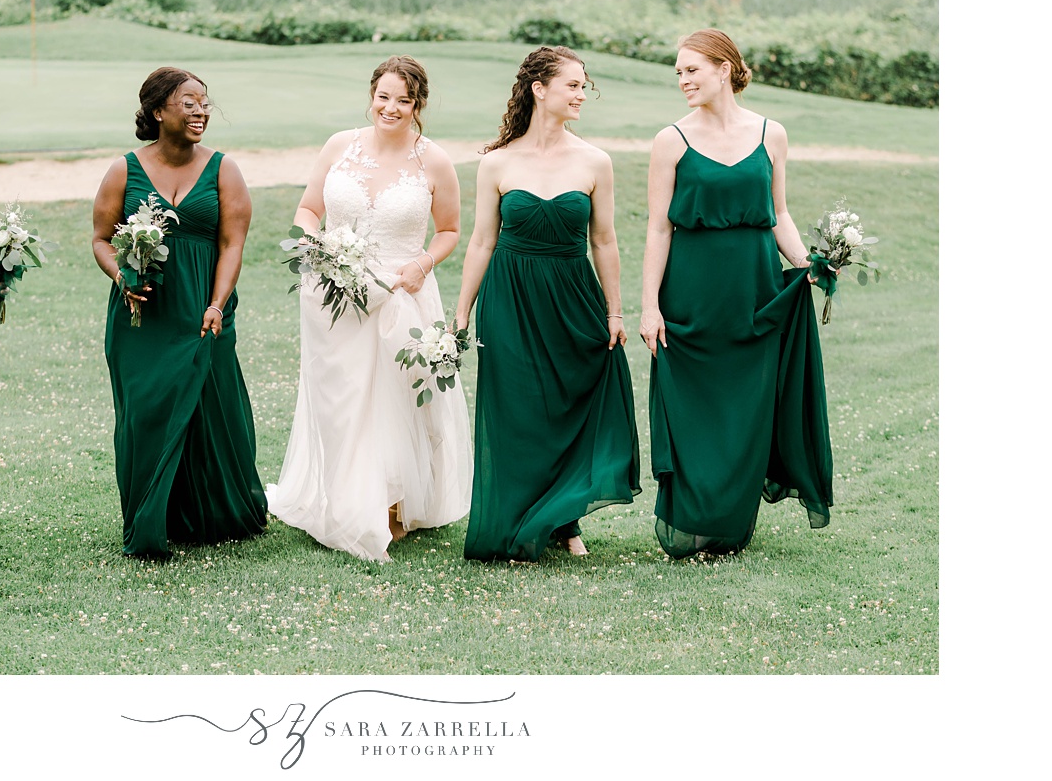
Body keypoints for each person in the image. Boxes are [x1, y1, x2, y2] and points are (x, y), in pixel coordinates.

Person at [268, 55, 473, 562]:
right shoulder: (340, 145)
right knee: (341, 395)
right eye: (384, 96)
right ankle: (341, 495)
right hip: (334, 294)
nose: (391, 107)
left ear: (418, 105)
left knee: (396, 396)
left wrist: (422, 265)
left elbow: (448, 231)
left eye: (404, 100)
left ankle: (392, 504)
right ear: (372, 95)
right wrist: (315, 249)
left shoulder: (435, 161)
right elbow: (309, 208)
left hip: (402, 291)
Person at [639, 29, 834, 559]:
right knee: (693, 407)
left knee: (746, 409)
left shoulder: (772, 135)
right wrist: (650, 305)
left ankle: (731, 520)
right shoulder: (670, 141)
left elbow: (780, 214)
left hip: (755, 293)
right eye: (678, 72)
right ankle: (694, 518)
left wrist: (808, 264)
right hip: (691, 296)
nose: (682, 80)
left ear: (724, 69)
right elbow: (659, 227)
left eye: (691, 70)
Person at [455, 47, 641, 561]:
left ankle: (564, 520)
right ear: (540, 89)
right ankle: (516, 518)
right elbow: (480, 242)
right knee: (517, 410)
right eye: (574, 86)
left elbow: (604, 241)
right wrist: (463, 309)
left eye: (585, 87)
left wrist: (615, 311)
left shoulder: (594, 161)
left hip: (573, 297)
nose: (582, 95)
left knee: (568, 405)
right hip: (510, 298)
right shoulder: (496, 162)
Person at [91, 67, 267, 558]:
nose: (201, 111)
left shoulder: (223, 169)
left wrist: (217, 303)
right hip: (141, 314)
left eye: (204, 103)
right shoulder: (124, 170)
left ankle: (217, 514)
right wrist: (121, 276)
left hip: (203, 308)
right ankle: (151, 518)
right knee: (145, 411)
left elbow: (233, 244)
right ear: (157, 111)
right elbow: (101, 240)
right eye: (189, 103)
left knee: (214, 409)